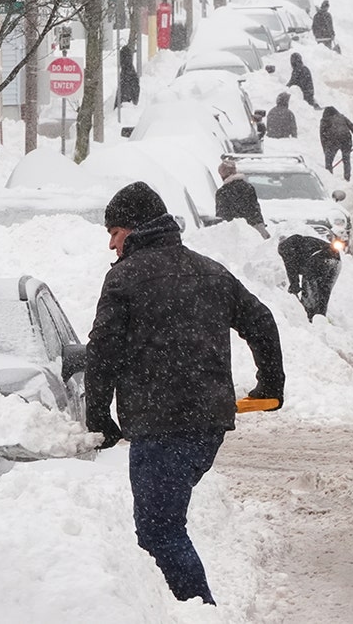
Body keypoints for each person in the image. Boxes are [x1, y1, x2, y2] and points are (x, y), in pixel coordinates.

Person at [85, 182, 285, 605]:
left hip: (161, 426)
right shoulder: (209, 271)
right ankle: (171, 608)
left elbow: (102, 353)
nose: (110, 244)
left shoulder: (124, 279)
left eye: (114, 232)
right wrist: (271, 384)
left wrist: (99, 417)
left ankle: (199, 611)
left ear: (134, 230)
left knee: (159, 530)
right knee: (164, 524)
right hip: (207, 425)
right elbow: (262, 322)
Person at [278, 234, 342, 321]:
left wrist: (294, 286)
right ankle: (321, 318)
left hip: (319, 258)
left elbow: (291, 267)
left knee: (309, 292)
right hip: (336, 261)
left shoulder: (285, 247)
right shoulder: (301, 243)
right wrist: (295, 285)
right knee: (324, 291)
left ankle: (309, 319)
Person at [215, 160, 270, 238]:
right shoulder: (248, 187)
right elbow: (255, 208)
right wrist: (259, 224)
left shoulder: (223, 192)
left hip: (236, 232)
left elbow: (222, 215)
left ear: (223, 175)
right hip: (255, 228)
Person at [319, 106, 353, 182]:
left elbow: (322, 136)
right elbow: (352, 127)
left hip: (333, 140)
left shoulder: (325, 120)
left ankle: (329, 177)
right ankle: (347, 177)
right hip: (346, 139)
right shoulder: (342, 117)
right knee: (346, 159)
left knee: (329, 161)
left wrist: (326, 150)